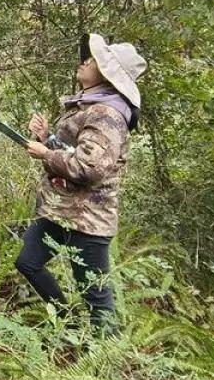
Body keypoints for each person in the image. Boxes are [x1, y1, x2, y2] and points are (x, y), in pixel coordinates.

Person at [15, 33, 146, 336]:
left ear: (107, 74)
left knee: (96, 297)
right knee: (28, 262)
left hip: (88, 221)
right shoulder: (91, 105)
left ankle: (104, 365)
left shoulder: (107, 114)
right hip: (61, 211)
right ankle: (67, 324)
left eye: (94, 59)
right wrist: (46, 137)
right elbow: (75, 151)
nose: (85, 61)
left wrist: (46, 153)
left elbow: (88, 168)